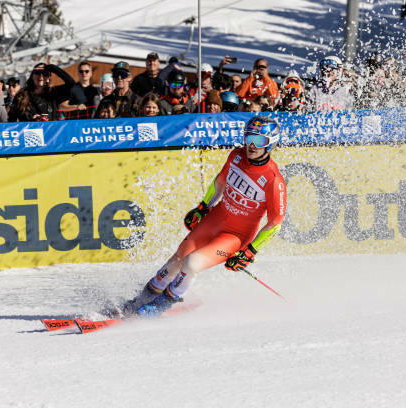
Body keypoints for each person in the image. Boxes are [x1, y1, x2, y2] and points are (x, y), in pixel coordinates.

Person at [119, 115, 287, 317]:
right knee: (178, 258)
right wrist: (203, 207)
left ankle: (162, 304)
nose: (251, 145)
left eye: (259, 140)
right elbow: (220, 182)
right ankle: (143, 297)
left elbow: (275, 222)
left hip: (236, 236)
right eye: (248, 137)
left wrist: (250, 251)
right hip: (216, 219)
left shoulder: (273, 179)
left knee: (191, 263)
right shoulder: (236, 156)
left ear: (271, 144)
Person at [8, 62, 75, 122]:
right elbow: (11, 119)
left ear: (48, 78)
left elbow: (71, 84)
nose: (41, 76)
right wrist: (32, 120)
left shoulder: (53, 93)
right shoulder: (21, 95)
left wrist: (52, 68)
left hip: (50, 133)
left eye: (45, 73)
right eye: (37, 73)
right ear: (32, 76)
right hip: (29, 134)